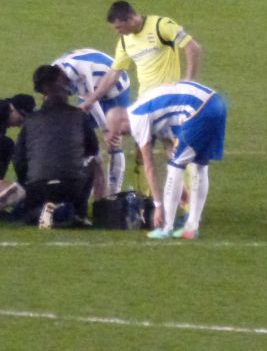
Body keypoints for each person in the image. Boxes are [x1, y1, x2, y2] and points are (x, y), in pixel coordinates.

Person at [103, 80, 227, 240]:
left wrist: (158, 206)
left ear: (122, 121)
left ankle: (165, 227)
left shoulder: (137, 119)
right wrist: (180, 188)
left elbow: (149, 166)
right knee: (200, 165)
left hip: (199, 110)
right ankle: (191, 228)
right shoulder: (147, 109)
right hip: (216, 104)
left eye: (119, 132)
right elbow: (170, 147)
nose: (122, 135)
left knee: (175, 167)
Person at [13, 65, 103, 228]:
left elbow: (19, 159)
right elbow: (93, 150)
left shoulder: (31, 120)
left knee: (28, 214)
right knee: (92, 163)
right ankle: (78, 213)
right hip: (72, 187)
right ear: (58, 84)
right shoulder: (78, 116)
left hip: (38, 187)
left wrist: (26, 180)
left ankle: (43, 212)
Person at [81, 0, 201, 107]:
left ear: (130, 18)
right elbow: (114, 73)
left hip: (169, 97)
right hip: (145, 100)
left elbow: (192, 47)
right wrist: (93, 98)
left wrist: (189, 80)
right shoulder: (124, 41)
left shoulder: (161, 26)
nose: (118, 32)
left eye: (119, 27)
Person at [53, 48, 133, 193]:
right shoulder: (56, 71)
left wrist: (106, 130)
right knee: (80, 135)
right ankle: (88, 187)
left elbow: (92, 101)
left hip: (116, 90)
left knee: (113, 141)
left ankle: (113, 193)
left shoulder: (76, 72)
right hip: (93, 86)